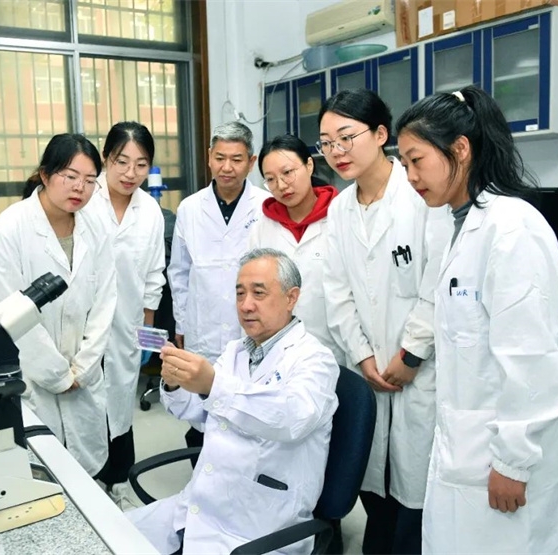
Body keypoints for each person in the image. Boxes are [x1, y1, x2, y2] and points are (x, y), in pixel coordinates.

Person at [396, 85, 558, 554]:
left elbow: (531, 360)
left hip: (510, 463)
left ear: (460, 149)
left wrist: (513, 463)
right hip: (469, 447)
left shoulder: (513, 228)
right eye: (403, 164)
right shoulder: (459, 224)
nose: (410, 176)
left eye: (416, 160)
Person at [128, 248, 339, 555]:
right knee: (106, 536)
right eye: (240, 293)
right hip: (200, 503)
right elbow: (199, 412)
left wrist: (213, 385)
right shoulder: (236, 351)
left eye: (258, 293)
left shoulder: (315, 360)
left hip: (258, 526)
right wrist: (175, 382)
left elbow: (291, 418)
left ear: (291, 298)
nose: (246, 305)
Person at [319, 89, 452, 554]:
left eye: (346, 137)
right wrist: (362, 356)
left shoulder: (421, 197)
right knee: (374, 486)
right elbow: (336, 293)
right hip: (369, 367)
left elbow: (436, 284)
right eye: (327, 143)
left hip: (421, 371)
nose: (337, 151)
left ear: (380, 135)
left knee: (418, 493)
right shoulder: (339, 209)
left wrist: (410, 354)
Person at [0, 133, 117, 477]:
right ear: (45, 174)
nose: (80, 188)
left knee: (87, 472)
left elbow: (105, 302)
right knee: (43, 476)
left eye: (90, 180)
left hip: (84, 375)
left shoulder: (96, 228)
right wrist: (57, 375)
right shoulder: (9, 229)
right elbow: (10, 316)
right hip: (34, 377)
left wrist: (84, 367)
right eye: (70, 176)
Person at [168, 121, 270, 451]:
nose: (227, 167)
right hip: (203, 325)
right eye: (220, 158)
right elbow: (179, 272)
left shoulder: (266, 205)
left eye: (237, 159)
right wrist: (182, 324)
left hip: (251, 326)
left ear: (251, 162)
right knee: (202, 410)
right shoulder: (190, 208)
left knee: (247, 407)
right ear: (209, 157)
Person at [86, 122, 166, 505]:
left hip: (128, 329)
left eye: (141, 164)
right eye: (122, 161)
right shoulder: (85, 200)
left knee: (119, 407)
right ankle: (88, 490)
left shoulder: (150, 211)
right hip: (83, 330)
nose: (130, 173)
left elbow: (153, 277)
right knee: (86, 409)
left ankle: (118, 484)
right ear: (105, 159)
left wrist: (147, 337)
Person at [248, 134, 343, 364]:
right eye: (270, 179)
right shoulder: (262, 229)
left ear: (309, 165)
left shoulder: (340, 217)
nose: (281, 185)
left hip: (335, 349)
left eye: (288, 172)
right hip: (276, 353)